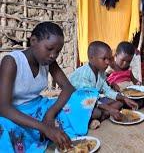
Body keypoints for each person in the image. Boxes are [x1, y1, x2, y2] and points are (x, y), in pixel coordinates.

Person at [0, 22, 98, 152]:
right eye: (49, 48)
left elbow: (68, 88)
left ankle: (50, 130)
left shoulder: (48, 61)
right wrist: (44, 127)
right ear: (34, 41)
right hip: (14, 113)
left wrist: (50, 114)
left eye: (57, 51)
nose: (53, 55)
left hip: (39, 107)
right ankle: (48, 132)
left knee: (83, 96)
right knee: (3, 130)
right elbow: (3, 108)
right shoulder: (11, 61)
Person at [69, 41, 138, 128]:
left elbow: (107, 91)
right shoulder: (83, 74)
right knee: (96, 112)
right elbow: (88, 99)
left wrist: (124, 98)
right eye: (104, 59)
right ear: (91, 58)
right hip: (77, 104)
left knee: (120, 103)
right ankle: (98, 116)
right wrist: (110, 109)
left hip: (93, 101)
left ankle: (102, 116)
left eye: (109, 59)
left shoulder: (101, 73)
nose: (108, 62)